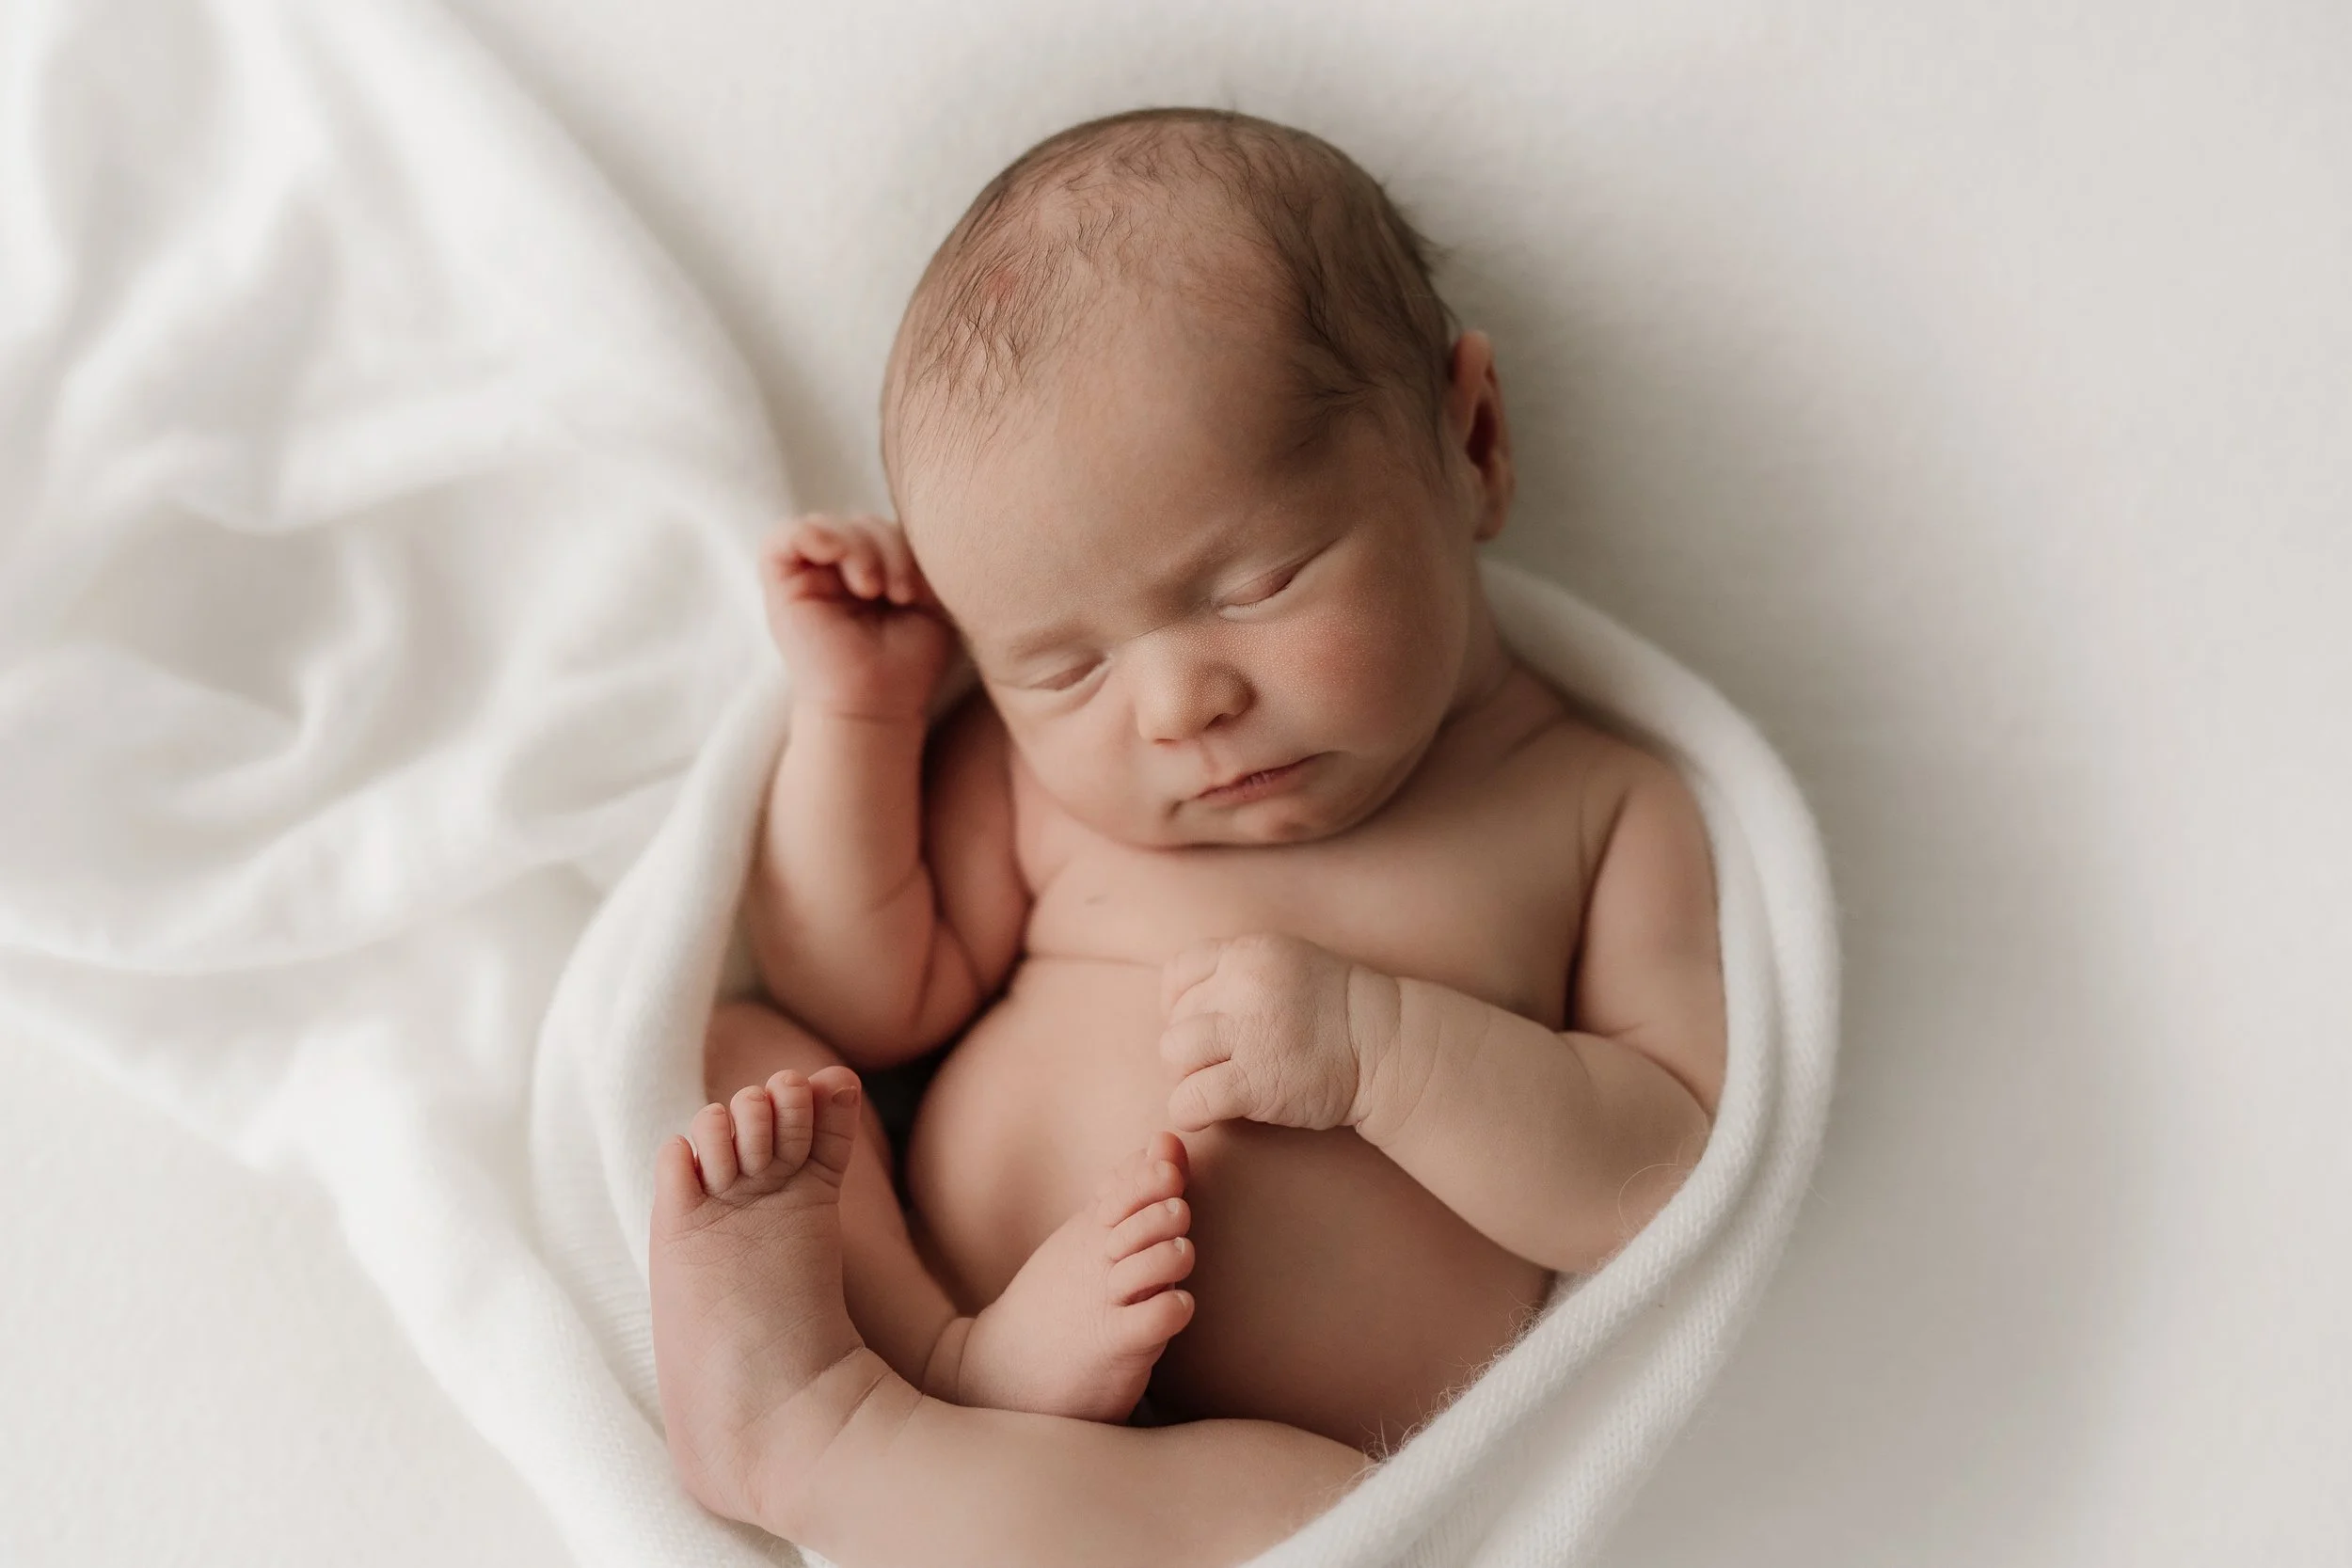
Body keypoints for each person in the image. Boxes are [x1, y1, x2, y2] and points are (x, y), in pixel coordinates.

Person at [647, 106, 1726, 1568]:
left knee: (1318, 1529)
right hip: (943, 1313)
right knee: (752, 1064)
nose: (1176, 704)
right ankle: (929, 1379)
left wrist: (1380, 1050)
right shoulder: (1041, 785)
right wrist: (864, 720)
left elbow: (1655, 1179)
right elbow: (859, 985)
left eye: (1256, 581)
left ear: (1469, 442)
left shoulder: (1597, 808)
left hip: (1251, 1478)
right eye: (1065, 667)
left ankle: (825, 1438)